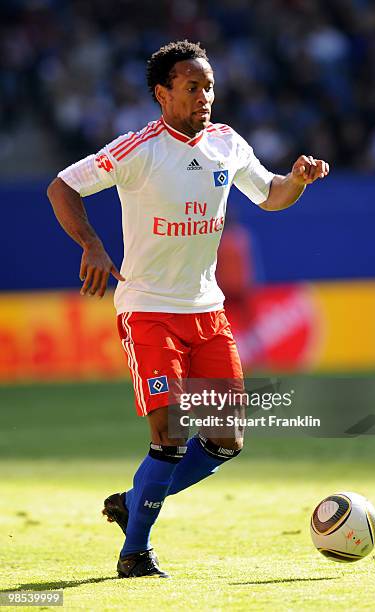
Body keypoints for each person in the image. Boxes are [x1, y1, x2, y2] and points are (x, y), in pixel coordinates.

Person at [47, 40, 329, 579]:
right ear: (163, 94)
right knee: (170, 435)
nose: (204, 96)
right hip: (149, 310)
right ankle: (135, 553)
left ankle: (134, 501)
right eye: (192, 87)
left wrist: (295, 180)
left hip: (207, 311)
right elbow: (63, 187)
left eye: (209, 86)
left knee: (227, 440)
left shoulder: (226, 143)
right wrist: (92, 245)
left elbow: (268, 194)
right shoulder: (139, 149)